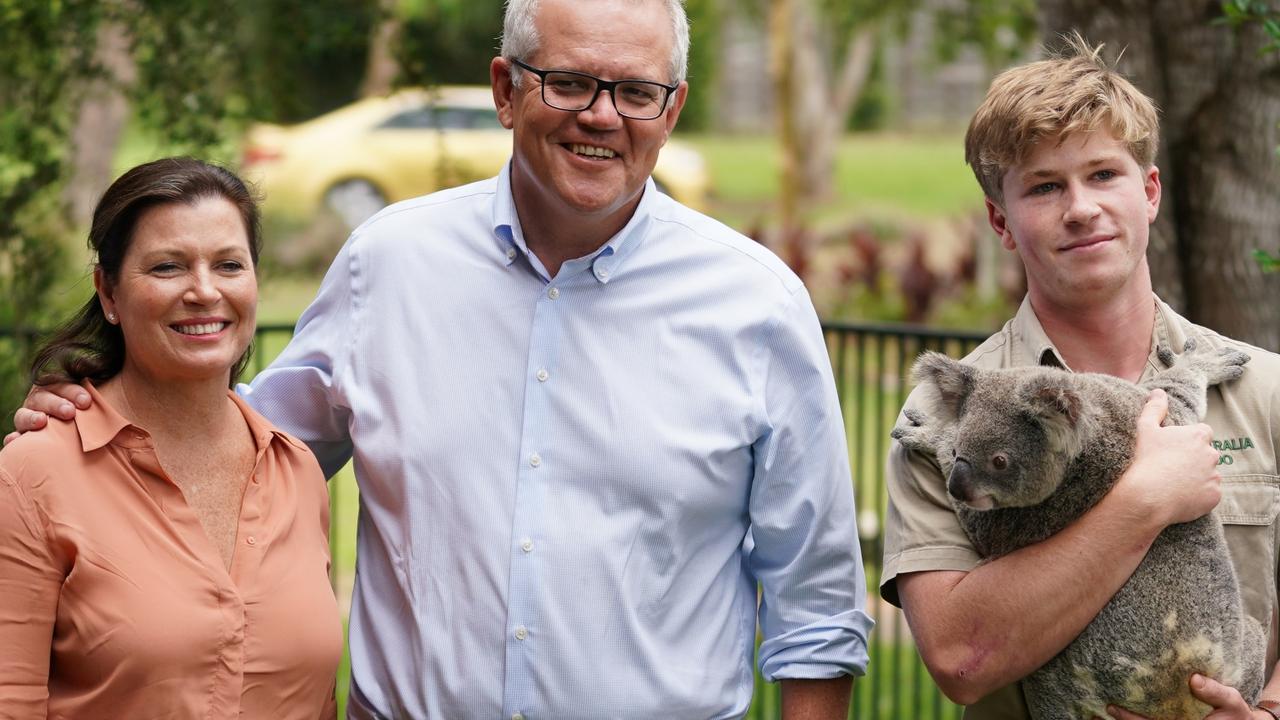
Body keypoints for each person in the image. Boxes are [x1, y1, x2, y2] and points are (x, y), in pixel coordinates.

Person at [11, 1, 872, 717]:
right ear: (505, 88)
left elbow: (817, 611)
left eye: (636, 91)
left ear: (672, 109)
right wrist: (88, 433)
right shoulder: (389, 264)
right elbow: (250, 451)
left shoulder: (758, 306)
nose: (602, 115)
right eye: (568, 82)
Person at [880, 35, 1280, 720]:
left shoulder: (1264, 390)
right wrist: (1143, 501)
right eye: (1044, 186)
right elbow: (961, 659)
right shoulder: (944, 421)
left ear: (1149, 192)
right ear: (1001, 223)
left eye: (1103, 175)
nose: (1081, 208)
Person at [0, 158, 343, 718]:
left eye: (229, 265)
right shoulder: (35, 473)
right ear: (108, 293)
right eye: (167, 267)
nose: (204, 291)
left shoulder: (297, 470)